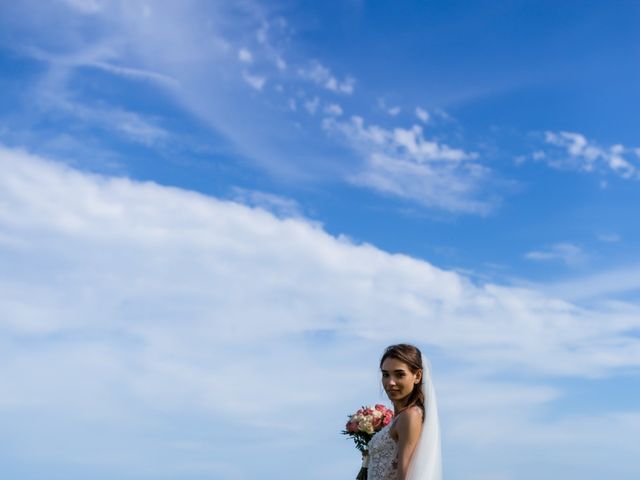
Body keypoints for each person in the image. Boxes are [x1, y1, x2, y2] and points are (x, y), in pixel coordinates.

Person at [367, 344, 442, 480]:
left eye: (399, 374)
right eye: (385, 375)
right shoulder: (401, 417)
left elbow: (406, 475)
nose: (390, 382)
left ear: (417, 376)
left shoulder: (411, 416)